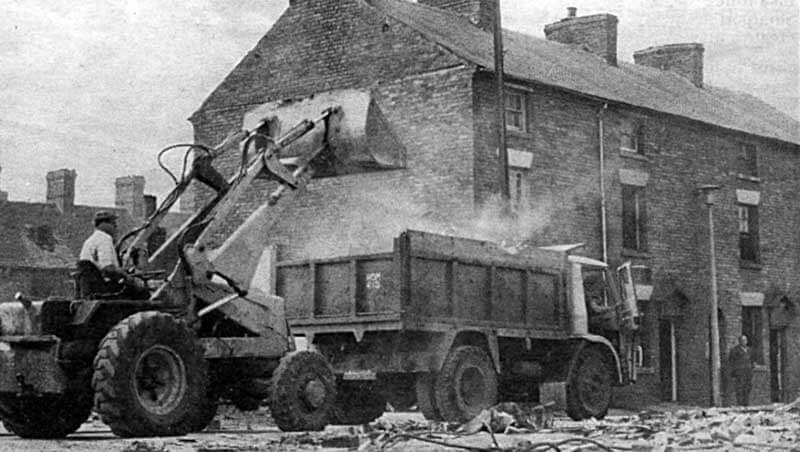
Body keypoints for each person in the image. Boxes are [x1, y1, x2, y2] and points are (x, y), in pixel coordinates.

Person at [79, 211, 148, 299]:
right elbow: (107, 269)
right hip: (105, 288)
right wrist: (126, 276)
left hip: (91, 288)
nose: (115, 226)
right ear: (103, 224)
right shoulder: (104, 239)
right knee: (142, 291)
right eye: (112, 223)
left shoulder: (89, 241)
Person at [728, 335, 754, 406]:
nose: (744, 342)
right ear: (739, 342)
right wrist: (734, 372)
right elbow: (732, 361)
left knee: (747, 387)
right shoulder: (735, 350)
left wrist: (751, 368)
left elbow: (752, 360)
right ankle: (740, 403)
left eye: (745, 340)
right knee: (740, 388)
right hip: (739, 372)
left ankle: (746, 403)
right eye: (742, 340)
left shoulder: (749, 350)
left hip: (748, 372)